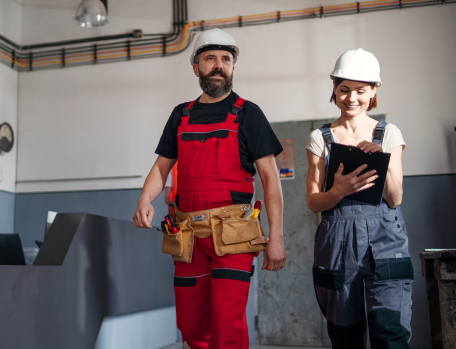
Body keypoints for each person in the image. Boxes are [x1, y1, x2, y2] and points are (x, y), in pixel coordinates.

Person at [133, 28, 286, 349]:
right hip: (187, 235)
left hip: (234, 235)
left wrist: (276, 237)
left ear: (232, 67)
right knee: (190, 324)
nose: (219, 65)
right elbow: (162, 167)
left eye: (226, 59)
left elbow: (270, 178)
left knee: (227, 324)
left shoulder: (248, 113)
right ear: (196, 67)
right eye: (210, 58)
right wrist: (145, 198)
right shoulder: (181, 115)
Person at [306, 48, 413, 348]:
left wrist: (385, 159)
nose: (351, 98)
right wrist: (337, 191)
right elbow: (313, 201)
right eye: (344, 90)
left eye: (360, 91)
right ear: (335, 90)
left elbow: (395, 197)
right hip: (337, 243)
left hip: (385, 238)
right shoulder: (320, 138)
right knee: (345, 336)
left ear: (374, 90)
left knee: (390, 333)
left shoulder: (388, 133)